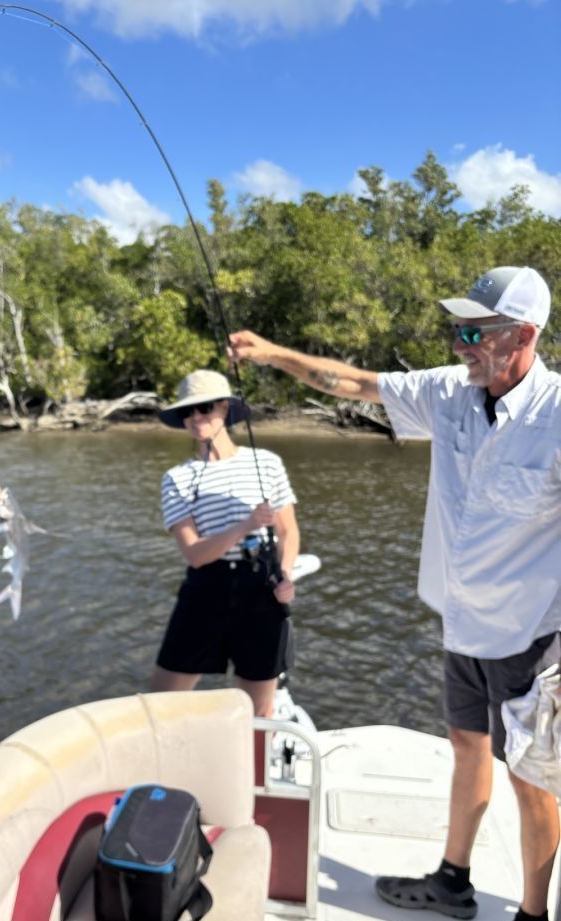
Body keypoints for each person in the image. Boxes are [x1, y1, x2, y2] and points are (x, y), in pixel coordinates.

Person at [229, 265, 560, 921]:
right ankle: (453, 880)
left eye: (474, 329)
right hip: (462, 622)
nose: (459, 342)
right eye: (456, 327)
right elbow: (352, 382)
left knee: (535, 782)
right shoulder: (450, 391)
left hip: (531, 634)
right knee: (467, 745)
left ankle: (530, 913)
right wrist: (269, 353)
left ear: (522, 334)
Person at [150, 368, 300, 718]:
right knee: (161, 702)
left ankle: (254, 773)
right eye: (187, 411)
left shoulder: (267, 463)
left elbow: (289, 532)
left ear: (225, 409)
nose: (196, 417)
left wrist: (285, 575)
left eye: (204, 408)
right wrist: (244, 525)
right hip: (206, 590)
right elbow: (194, 554)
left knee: (258, 709)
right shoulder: (176, 478)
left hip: (260, 589)